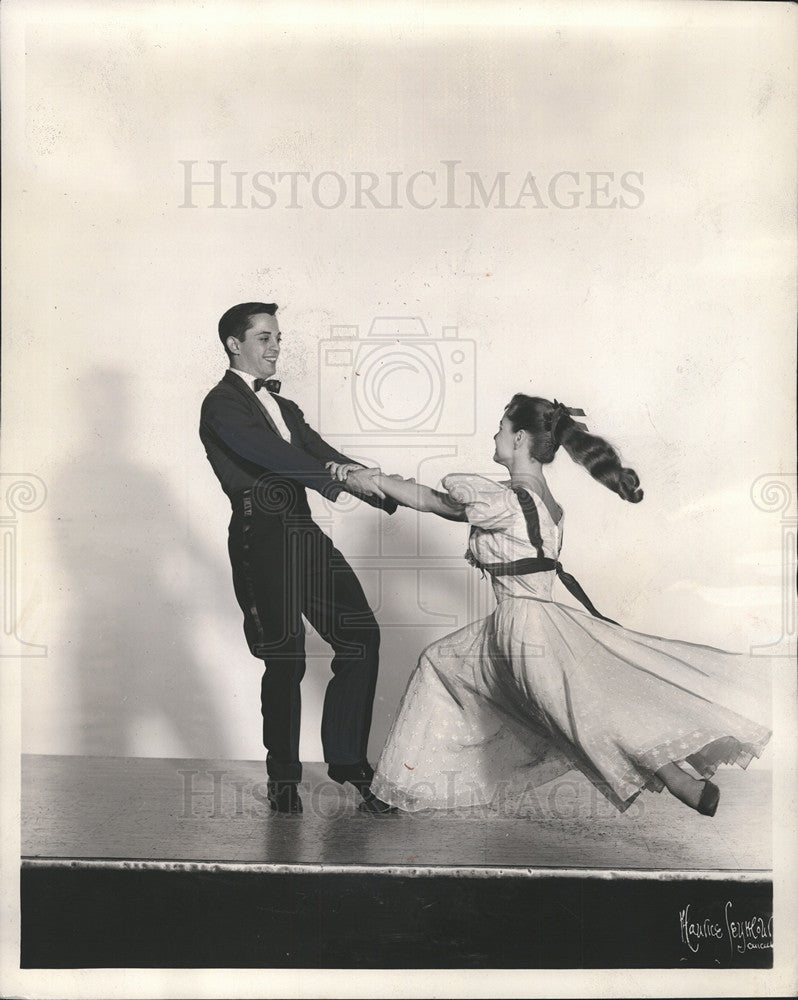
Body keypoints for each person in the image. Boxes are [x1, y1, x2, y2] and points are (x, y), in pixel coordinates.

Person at [345, 394, 772, 816]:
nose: (494, 435)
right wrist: (371, 479)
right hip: (516, 621)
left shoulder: (507, 500)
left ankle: (684, 784)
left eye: (501, 428)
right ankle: (395, 790)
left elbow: (437, 502)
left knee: (584, 715)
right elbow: (450, 508)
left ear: (520, 440)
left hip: (525, 626)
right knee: (440, 662)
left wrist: (372, 479)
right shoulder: (542, 501)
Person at [200, 302, 397, 814]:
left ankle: (349, 763)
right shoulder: (221, 404)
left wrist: (380, 484)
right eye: (264, 338)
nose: (276, 347)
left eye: (279, 338)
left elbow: (314, 448)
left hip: (301, 531)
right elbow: (276, 457)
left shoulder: (284, 408)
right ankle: (283, 780)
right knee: (285, 659)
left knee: (359, 635)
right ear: (233, 344)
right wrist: (339, 475)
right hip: (258, 535)